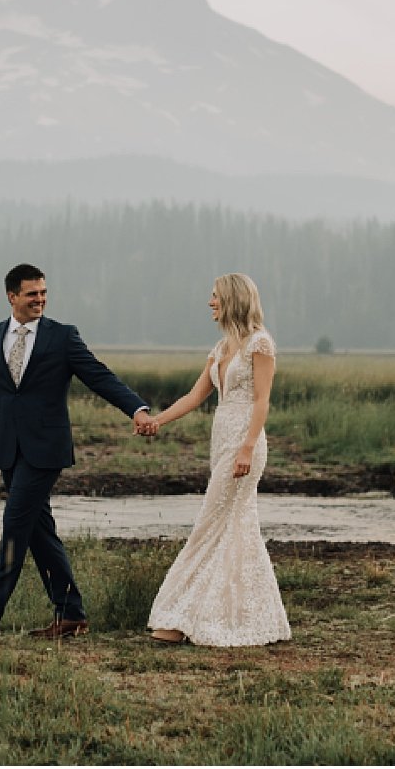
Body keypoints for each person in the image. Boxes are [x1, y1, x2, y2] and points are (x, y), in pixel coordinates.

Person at [0, 263, 154, 642]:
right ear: (12, 296)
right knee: (38, 532)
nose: (40, 300)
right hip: (10, 452)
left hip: (47, 450)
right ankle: (71, 615)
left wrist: (137, 409)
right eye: (32, 294)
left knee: (15, 526)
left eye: (44, 293)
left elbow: (99, 376)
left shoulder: (62, 337)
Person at [141, 273, 291, 647]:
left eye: (215, 296)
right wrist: (157, 420)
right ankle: (239, 614)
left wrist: (248, 447)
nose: (210, 302)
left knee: (210, 523)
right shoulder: (222, 347)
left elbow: (262, 400)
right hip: (221, 441)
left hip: (245, 441)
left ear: (233, 299)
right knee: (234, 525)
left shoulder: (260, 343)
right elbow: (195, 397)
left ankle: (180, 618)